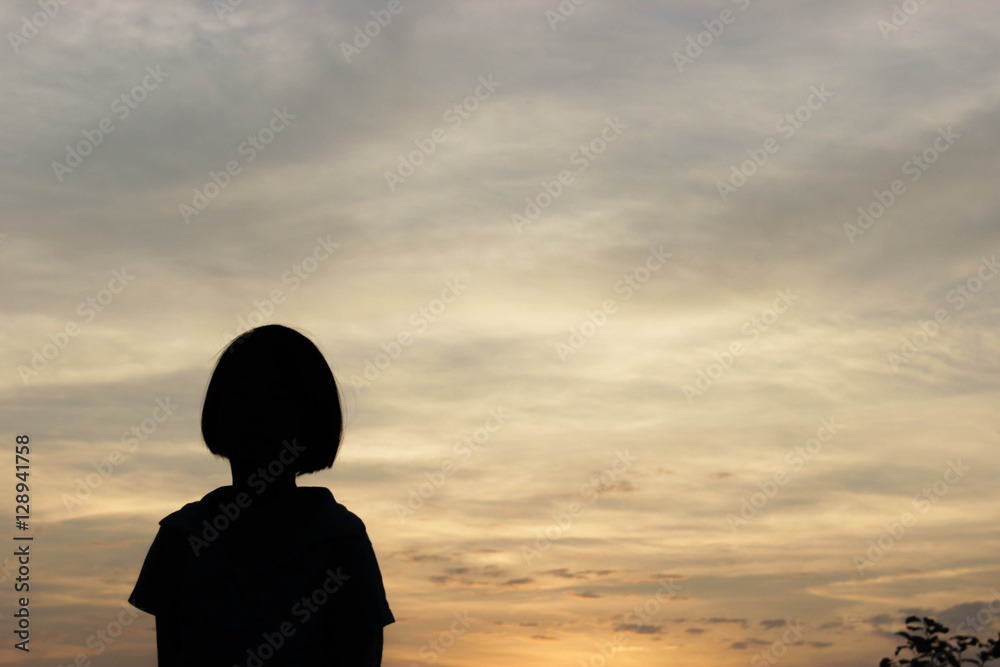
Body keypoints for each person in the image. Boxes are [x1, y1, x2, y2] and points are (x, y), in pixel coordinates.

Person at [128, 324, 393, 665]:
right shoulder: (180, 538)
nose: (254, 416)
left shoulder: (340, 543)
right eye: (241, 397)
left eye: (276, 401)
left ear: (310, 420)